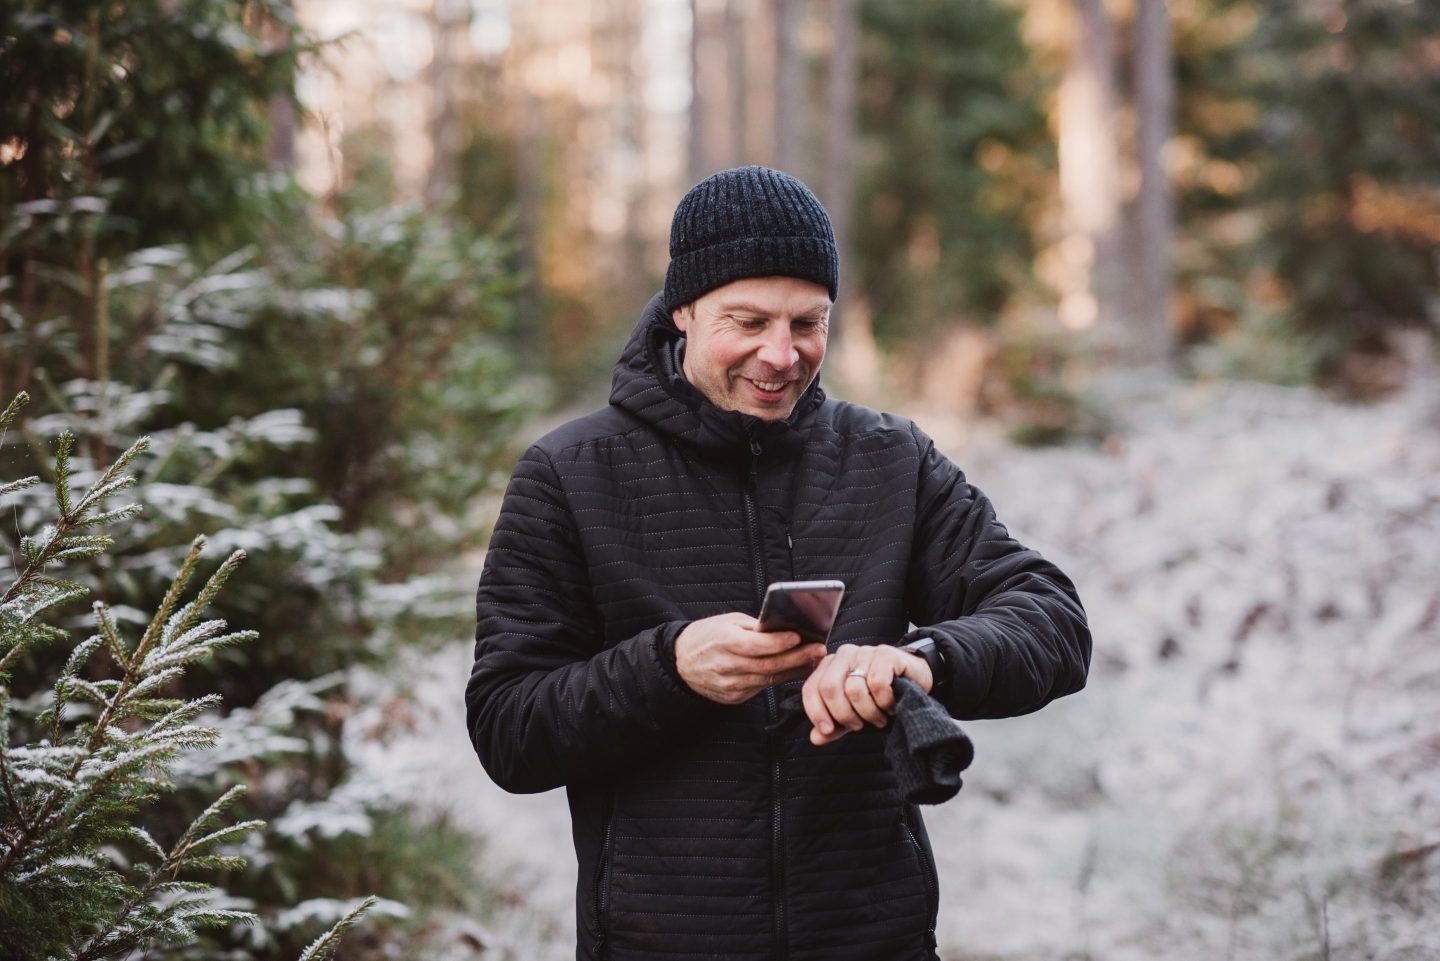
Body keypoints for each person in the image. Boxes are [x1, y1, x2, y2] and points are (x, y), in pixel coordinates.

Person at [466, 165, 1090, 961]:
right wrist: (670, 668)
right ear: (683, 309)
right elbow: (508, 728)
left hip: (876, 940)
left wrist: (921, 660)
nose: (782, 354)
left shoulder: (890, 459)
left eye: (808, 321)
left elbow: (1052, 620)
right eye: (749, 320)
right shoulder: (569, 473)